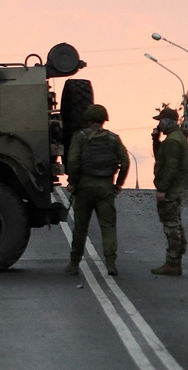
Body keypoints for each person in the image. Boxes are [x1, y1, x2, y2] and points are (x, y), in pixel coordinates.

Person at [64, 104, 129, 277]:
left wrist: (72, 182)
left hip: (84, 189)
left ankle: (74, 264)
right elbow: (125, 161)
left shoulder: (80, 137)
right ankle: (110, 264)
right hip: (106, 188)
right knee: (108, 227)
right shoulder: (113, 139)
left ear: (88, 120)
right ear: (103, 120)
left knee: (80, 227)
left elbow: (73, 161)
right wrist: (118, 184)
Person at [150, 106, 188, 276]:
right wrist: (156, 141)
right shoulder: (175, 138)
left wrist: (163, 189)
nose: (159, 124)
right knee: (175, 223)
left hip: (171, 189)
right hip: (175, 187)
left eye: (160, 121)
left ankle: (173, 262)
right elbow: (162, 157)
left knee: (171, 225)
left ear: (167, 121)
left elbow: (170, 166)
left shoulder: (173, 141)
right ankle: (175, 260)